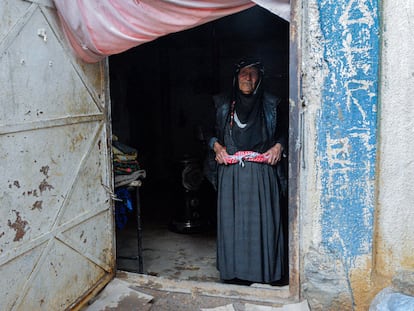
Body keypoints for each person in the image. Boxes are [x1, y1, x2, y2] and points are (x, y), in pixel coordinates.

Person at [204, 58, 287, 285]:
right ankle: (234, 274)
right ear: (236, 76)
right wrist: (216, 146)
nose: (247, 78)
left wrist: (279, 146)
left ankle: (265, 275)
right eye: (243, 73)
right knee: (233, 226)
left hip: (262, 175)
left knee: (263, 227)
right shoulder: (221, 103)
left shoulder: (272, 104)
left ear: (260, 78)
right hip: (231, 175)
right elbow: (204, 130)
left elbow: (287, 130)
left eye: (253, 74)